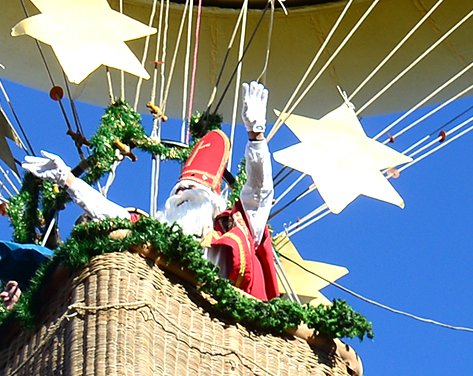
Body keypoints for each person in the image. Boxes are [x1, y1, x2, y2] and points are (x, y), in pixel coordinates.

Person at [21, 81, 282, 298]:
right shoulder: (158, 231)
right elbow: (110, 214)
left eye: (191, 190)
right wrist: (68, 180)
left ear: (212, 201)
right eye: (179, 189)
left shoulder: (235, 229)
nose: (181, 194)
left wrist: (256, 136)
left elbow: (258, 193)